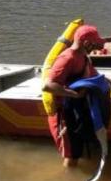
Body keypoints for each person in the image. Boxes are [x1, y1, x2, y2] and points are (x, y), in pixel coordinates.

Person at [42, 25, 106, 167]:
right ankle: (67, 180)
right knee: (70, 156)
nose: (96, 47)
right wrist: (74, 95)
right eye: (94, 43)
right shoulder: (67, 58)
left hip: (75, 110)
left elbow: (94, 75)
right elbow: (48, 86)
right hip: (63, 114)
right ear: (86, 43)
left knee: (77, 149)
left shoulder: (83, 57)